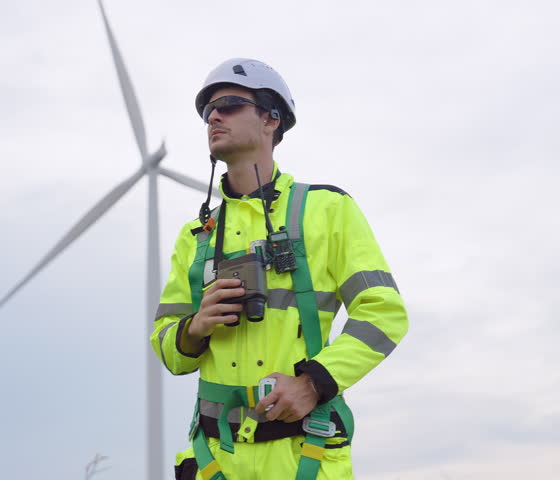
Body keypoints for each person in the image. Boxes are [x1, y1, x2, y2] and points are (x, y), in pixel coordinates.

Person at [150, 58, 408, 480]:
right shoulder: (195, 236)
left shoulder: (328, 209)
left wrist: (312, 383)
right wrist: (194, 328)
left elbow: (384, 313)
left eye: (229, 104)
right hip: (214, 459)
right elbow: (167, 349)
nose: (213, 116)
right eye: (206, 111)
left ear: (273, 118)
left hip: (305, 452)